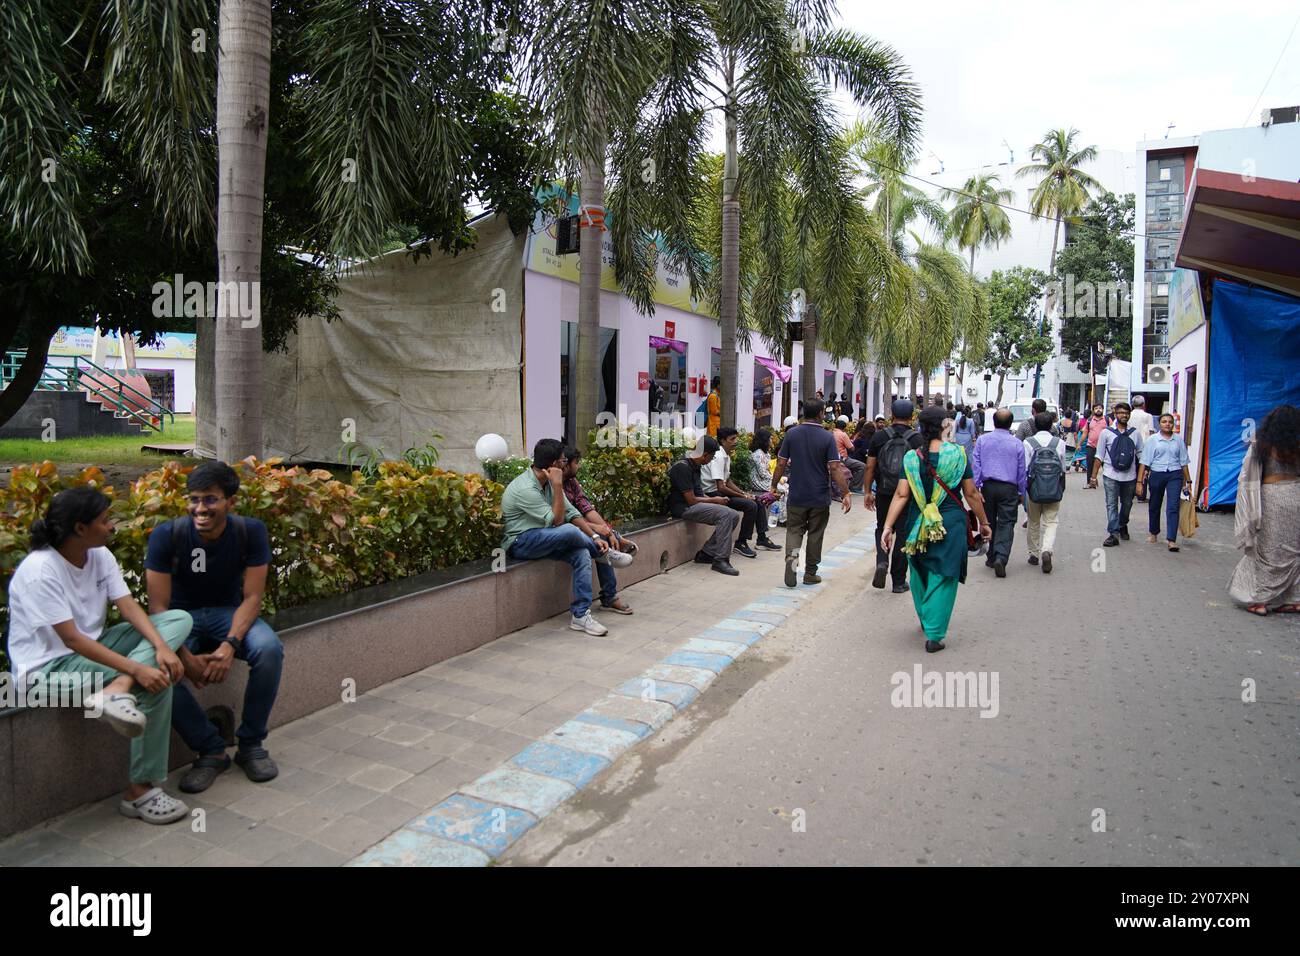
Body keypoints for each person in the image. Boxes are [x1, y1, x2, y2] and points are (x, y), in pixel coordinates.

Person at [6, 486, 194, 824]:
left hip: (97, 649)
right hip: (47, 671)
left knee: (177, 619)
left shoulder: (100, 555)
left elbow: (128, 607)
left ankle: (115, 690)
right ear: (80, 528)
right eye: (105, 520)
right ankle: (139, 792)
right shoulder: (39, 571)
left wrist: (163, 648)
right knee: (155, 682)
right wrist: (140, 669)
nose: (112, 526)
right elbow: (73, 640)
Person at [144, 460, 285, 793]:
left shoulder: (250, 531)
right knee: (157, 667)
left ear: (231, 502)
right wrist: (183, 656)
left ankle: (250, 744)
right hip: (179, 619)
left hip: (227, 613)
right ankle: (210, 749)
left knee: (269, 649)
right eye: (194, 499)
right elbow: (158, 608)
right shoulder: (168, 535)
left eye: (210, 499)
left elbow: (252, 598)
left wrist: (229, 646)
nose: (200, 508)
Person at [880, 406, 992, 653]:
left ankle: (926, 617)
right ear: (944, 426)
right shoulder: (958, 455)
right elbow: (971, 494)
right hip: (949, 521)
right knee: (944, 573)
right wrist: (984, 523)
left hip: (916, 520)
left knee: (919, 570)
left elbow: (901, 494)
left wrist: (888, 527)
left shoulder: (911, 458)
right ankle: (935, 634)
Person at [502, 438, 621, 635]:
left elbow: (572, 512)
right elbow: (558, 521)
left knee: (582, 553)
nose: (565, 465)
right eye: (563, 461)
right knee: (568, 530)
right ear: (555, 465)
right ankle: (604, 555)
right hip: (520, 542)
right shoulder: (526, 488)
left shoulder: (547, 482)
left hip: (545, 537)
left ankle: (580, 615)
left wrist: (595, 538)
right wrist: (557, 485)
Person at [772, 398, 852, 588]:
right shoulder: (827, 437)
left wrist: (774, 485)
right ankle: (810, 574)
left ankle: (791, 561)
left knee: (794, 530)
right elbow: (834, 468)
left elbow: (781, 463)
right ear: (820, 414)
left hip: (797, 494)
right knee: (816, 534)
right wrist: (846, 492)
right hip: (819, 496)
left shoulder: (791, 435)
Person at [1228, 405, 1300, 616]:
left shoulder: (1263, 444)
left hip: (1273, 498)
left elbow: (1247, 475)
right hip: (1296, 495)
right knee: (1295, 551)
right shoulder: (1297, 445)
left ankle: (1259, 599)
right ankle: (1295, 599)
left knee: (1268, 551)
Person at [561, 445, 635, 613]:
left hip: (580, 526)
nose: (579, 466)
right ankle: (609, 596)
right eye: (577, 463)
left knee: (605, 535)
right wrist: (599, 530)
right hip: (564, 528)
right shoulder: (552, 485)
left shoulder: (572, 482)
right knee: (601, 542)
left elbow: (586, 508)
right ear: (565, 464)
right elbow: (563, 519)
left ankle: (615, 538)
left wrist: (607, 530)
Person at [864, 400, 923, 593]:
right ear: (912, 416)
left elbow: (870, 466)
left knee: (882, 526)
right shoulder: (917, 440)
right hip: (907, 494)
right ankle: (898, 581)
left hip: (884, 491)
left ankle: (882, 561)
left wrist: (867, 492)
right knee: (903, 534)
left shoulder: (879, 436)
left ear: (891, 415)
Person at [667, 436, 741, 576]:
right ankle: (720, 560)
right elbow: (691, 500)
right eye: (712, 457)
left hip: (693, 504)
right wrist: (715, 501)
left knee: (734, 515)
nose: (711, 460)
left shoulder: (696, 466)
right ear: (704, 455)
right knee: (725, 514)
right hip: (683, 508)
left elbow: (699, 494)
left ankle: (707, 554)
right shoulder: (682, 467)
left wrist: (717, 500)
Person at [704, 427, 781, 557]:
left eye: (736, 438)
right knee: (750, 505)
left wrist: (745, 493)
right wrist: (743, 496)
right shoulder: (718, 456)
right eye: (732, 439)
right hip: (712, 494)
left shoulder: (726, 455)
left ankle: (761, 538)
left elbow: (727, 481)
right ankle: (741, 543)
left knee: (758, 500)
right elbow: (721, 487)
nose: (735, 441)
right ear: (723, 441)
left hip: (720, 491)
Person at [971, 408, 1026, 577]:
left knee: (988, 522)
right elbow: (1021, 470)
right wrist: (1021, 491)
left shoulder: (982, 440)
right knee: (1006, 522)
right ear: (1010, 423)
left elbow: (976, 465)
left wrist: (976, 487)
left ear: (993, 422)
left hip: (988, 487)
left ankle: (991, 555)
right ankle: (1001, 557)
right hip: (1009, 488)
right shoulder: (1017, 443)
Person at [1136, 413, 1192, 553]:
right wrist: (1139, 481)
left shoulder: (1178, 441)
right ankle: (1153, 532)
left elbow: (1184, 462)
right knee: (1155, 504)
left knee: (1173, 506)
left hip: (1175, 475)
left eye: (1170, 422)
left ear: (1173, 424)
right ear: (1159, 424)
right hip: (1157, 474)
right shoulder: (1153, 440)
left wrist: (1188, 481)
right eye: (1164, 422)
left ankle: (1171, 540)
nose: (1167, 424)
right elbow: (1144, 462)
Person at [1091, 402, 1144, 547]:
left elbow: (1141, 456)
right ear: (1115, 415)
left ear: (1129, 415)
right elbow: (1099, 455)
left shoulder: (1135, 433)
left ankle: (1122, 524)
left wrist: (1141, 479)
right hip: (1110, 474)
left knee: (1127, 504)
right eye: (1120, 413)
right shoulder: (1106, 433)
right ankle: (1113, 533)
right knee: (1111, 504)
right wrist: (1093, 477)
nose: (1124, 415)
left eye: (1126, 413)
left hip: (1130, 476)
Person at [1023, 411, 1069, 574]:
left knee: (1033, 520)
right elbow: (1063, 467)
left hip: (1034, 488)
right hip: (1053, 487)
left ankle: (1033, 554)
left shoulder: (1028, 442)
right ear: (1051, 425)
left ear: (1035, 425)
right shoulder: (1059, 442)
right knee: (1051, 521)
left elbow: (1025, 467)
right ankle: (1046, 549)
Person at [1129, 396, 1155, 500]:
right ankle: (1141, 494)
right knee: (1143, 469)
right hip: (1144, 445)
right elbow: (1151, 431)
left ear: (1132, 404)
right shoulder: (1148, 416)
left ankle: (1130, 492)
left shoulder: (1129, 415)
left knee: (1131, 469)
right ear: (1143, 404)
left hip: (1130, 445)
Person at [833, 416, 866, 492]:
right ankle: (855, 487)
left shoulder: (831, 432)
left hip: (832, 458)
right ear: (845, 427)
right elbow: (852, 448)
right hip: (842, 459)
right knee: (862, 466)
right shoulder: (843, 435)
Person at [1081, 403, 1109, 486]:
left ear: (1103, 410)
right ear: (1093, 410)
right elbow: (1085, 433)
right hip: (1091, 446)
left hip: (1105, 447)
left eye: (1100, 408)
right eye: (1096, 408)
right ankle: (1090, 482)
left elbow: (1113, 432)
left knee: (1106, 465)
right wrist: (1079, 444)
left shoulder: (1107, 420)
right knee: (1090, 464)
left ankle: (1109, 482)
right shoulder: (1089, 420)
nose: (1098, 410)